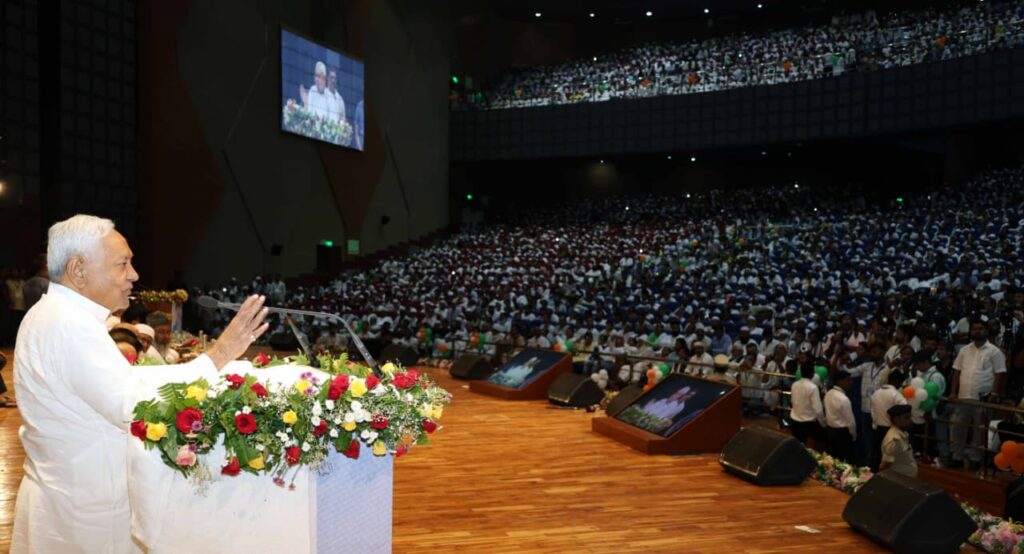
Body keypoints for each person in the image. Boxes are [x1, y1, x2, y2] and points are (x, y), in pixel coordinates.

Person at [12, 214, 270, 553]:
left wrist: (212, 361)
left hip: (76, 498)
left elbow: (130, 380)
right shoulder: (67, 324)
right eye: (123, 264)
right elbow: (137, 407)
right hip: (85, 513)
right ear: (78, 270)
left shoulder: (63, 315)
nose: (134, 275)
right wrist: (219, 354)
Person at [949, 318, 1007, 469]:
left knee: (979, 431)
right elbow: (956, 371)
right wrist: (953, 392)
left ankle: (975, 459)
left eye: (980, 328)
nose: (977, 331)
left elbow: (1000, 373)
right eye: (974, 328)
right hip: (963, 396)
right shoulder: (964, 350)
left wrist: (994, 394)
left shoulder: (995, 351)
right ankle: (957, 457)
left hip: (983, 397)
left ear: (986, 331)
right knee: (958, 428)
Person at [869, 370, 908, 472]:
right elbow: (905, 408)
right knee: (889, 460)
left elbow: (872, 411)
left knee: (877, 456)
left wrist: (875, 424)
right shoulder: (895, 394)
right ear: (896, 381)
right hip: (891, 430)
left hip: (877, 429)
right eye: (900, 382)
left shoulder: (876, 393)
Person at [789, 361, 825, 447]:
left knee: (796, 450)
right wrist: (823, 423)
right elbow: (818, 410)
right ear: (812, 374)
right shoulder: (813, 387)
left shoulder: (794, 384)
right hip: (808, 425)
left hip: (794, 422)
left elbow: (792, 402)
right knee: (809, 453)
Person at [825, 370, 857, 462]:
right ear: (839, 381)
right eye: (848, 380)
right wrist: (853, 435)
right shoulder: (843, 399)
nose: (850, 383)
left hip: (830, 430)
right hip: (842, 433)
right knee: (845, 460)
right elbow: (850, 422)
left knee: (833, 459)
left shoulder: (828, 393)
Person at [880, 404, 917, 478]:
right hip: (899, 482)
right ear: (896, 420)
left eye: (910, 417)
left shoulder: (903, 433)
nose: (910, 420)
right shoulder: (894, 440)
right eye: (906, 418)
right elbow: (885, 466)